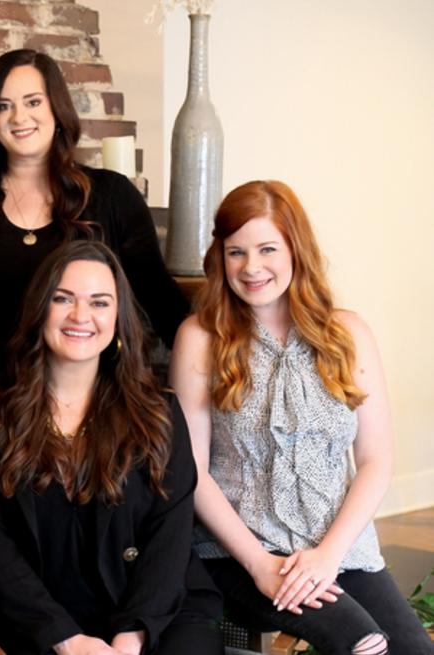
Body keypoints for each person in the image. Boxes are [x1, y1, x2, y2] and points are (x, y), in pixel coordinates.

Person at [169, 181, 433, 655]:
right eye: (236, 252)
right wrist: (260, 565)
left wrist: (328, 555)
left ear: (296, 248)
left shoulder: (348, 333)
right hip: (240, 553)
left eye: (267, 249)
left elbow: (376, 461)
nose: (251, 267)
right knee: (364, 643)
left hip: (339, 548)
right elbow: (194, 471)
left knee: (414, 650)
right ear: (220, 257)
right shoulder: (201, 337)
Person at [0, 241, 223, 655]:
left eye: (99, 302)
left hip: (157, 617)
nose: (81, 315)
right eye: (63, 299)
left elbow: (170, 534)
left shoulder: (158, 412)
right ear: (39, 308)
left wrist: (132, 638)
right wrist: (66, 640)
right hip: (43, 626)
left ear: (118, 318)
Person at [0, 49, 188, 428]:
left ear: (57, 109)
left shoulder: (111, 197)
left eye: (33, 102)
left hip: (90, 420)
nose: (19, 117)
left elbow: (163, 304)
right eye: (3, 106)